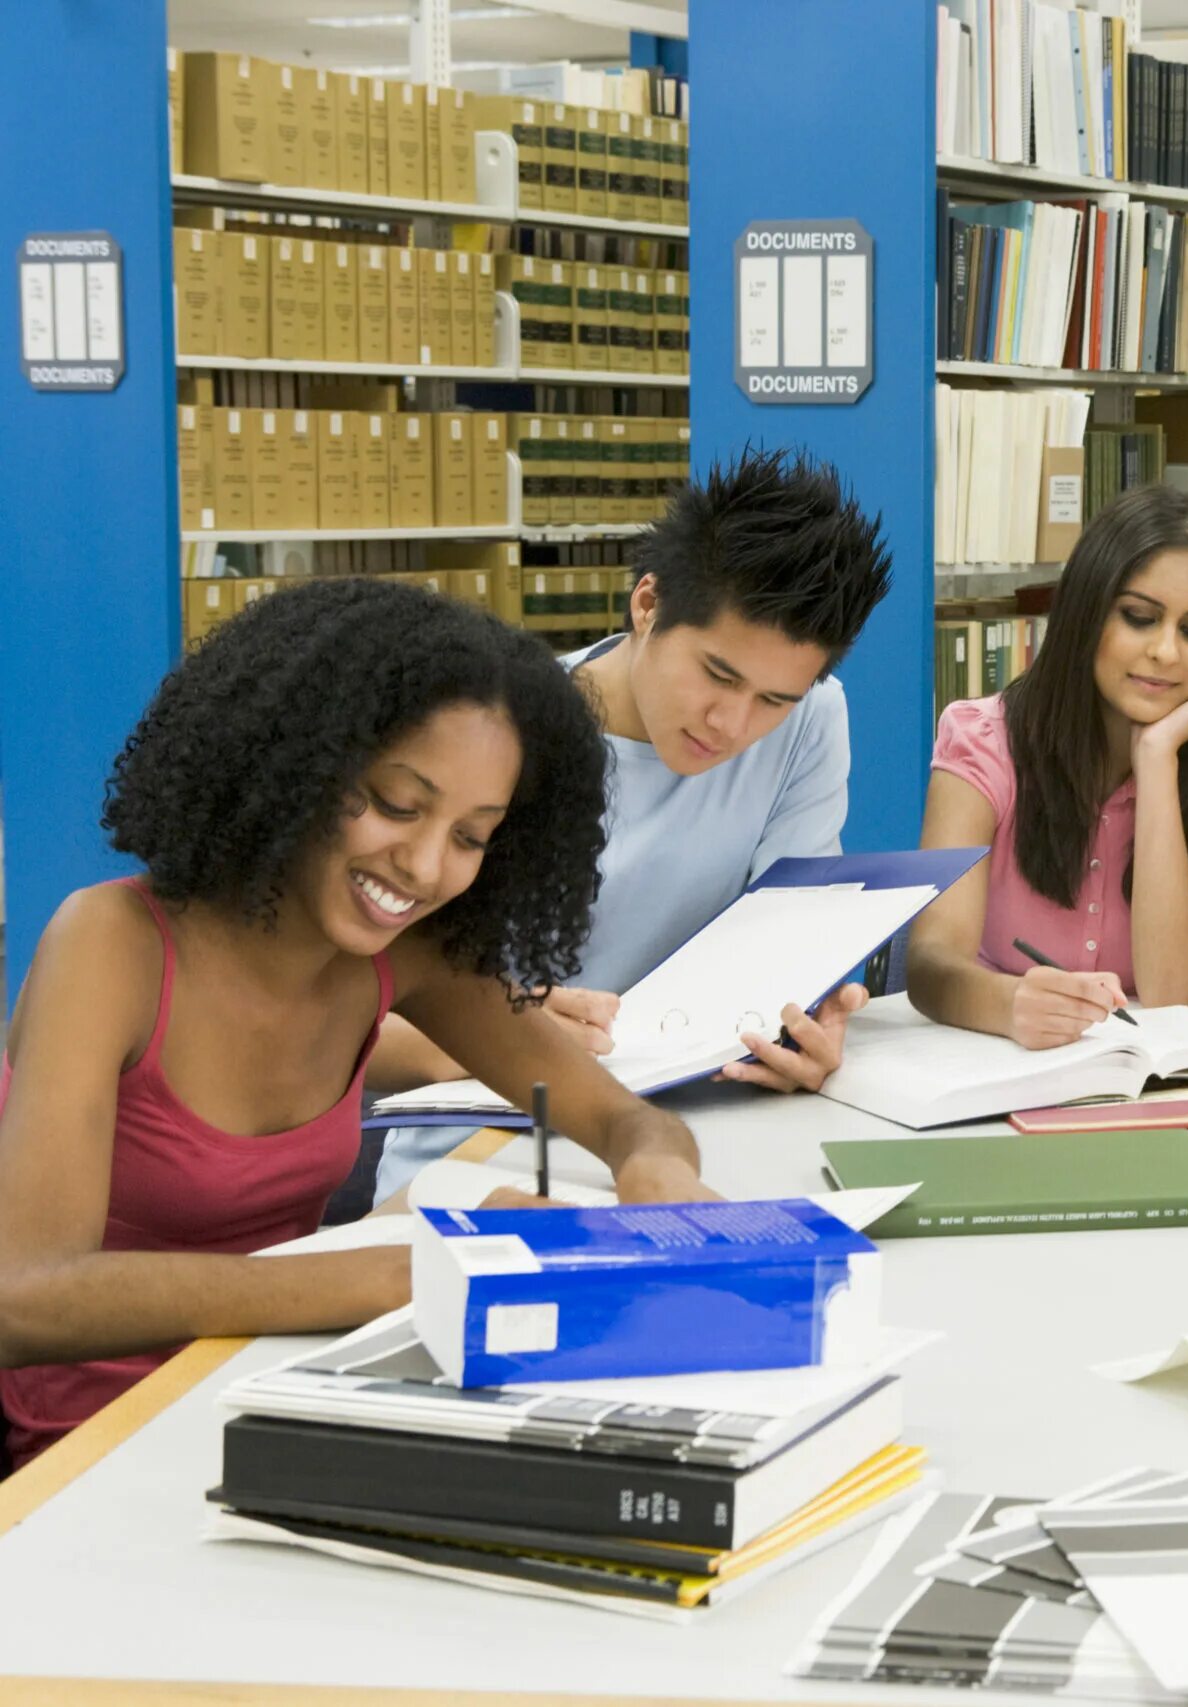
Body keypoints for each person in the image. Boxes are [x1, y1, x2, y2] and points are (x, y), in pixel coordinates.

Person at [0, 579, 714, 1466]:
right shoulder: (111, 944)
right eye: (397, 804)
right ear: (298, 760)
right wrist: (381, 1271)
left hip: (284, 1397)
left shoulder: (402, 953)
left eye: (472, 834)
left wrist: (653, 1164)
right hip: (96, 1451)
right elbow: (20, 1298)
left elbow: (618, 1114)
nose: (421, 866)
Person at [367, 447, 893, 1201]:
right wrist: (509, 1037)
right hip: (484, 1149)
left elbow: (788, 945)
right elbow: (361, 1022)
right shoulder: (501, 736)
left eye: (774, 698)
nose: (733, 723)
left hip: (693, 1129)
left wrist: (804, 1028)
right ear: (646, 604)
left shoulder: (811, 722)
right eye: (717, 674)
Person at [908, 485, 1188, 1047]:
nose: (1166, 652)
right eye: (1138, 618)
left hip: (1152, 1074)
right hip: (993, 1057)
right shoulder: (982, 741)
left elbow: (1173, 990)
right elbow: (930, 966)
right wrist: (1009, 1005)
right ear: (1088, 613)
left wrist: (1156, 760)